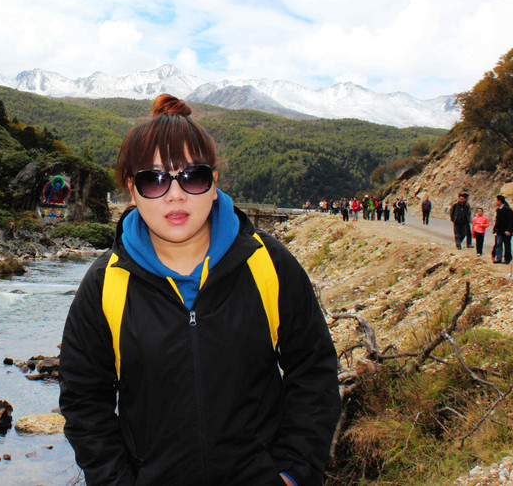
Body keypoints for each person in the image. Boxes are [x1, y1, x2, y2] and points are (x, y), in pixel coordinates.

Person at [59, 95, 341, 486]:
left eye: (192, 177)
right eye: (154, 179)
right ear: (131, 190)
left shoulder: (266, 262)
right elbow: (84, 400)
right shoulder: (106, 282)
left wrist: (294, 472)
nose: (175, 195)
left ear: (213, 184)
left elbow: (314, 370)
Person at [491, 195, 513, 264]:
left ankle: (507, 259)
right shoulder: (498, 210)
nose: (496, 202)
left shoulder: (507, 209)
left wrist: (509, 230)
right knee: (498, 244)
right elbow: (497, 221)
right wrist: (495, 229)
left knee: (507, 245)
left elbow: (511, 221)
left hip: (506, 231)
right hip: (499, 231)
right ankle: (499, 258)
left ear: (499, 201)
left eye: (496, 200)